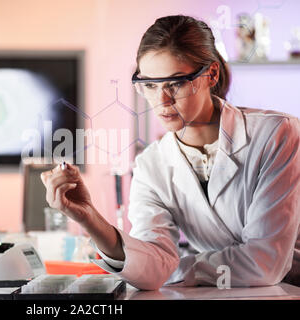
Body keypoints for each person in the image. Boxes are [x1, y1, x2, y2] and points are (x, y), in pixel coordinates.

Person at [40, 15, 299, 290]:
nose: (161, 101)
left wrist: (176, 268)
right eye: (150, 85)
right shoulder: (151, 165)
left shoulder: (276, 135)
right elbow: (151, 269)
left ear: (211, 74)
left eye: (175, 83)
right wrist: (89, 217)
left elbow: (265, 263)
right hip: (224, 292)